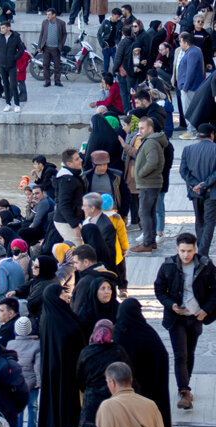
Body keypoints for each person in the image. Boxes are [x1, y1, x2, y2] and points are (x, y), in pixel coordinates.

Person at [154, 232, 216, 410]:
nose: (186, 255)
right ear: (177, 250)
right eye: (182, 251)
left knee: (190, 353)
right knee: (180, 354)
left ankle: (185, 387)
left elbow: (214, 290)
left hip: (195, 317)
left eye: (189, 251)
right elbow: (159, 289)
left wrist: (206, 310)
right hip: (176, 318)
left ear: (195, 249)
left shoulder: (205, 265)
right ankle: (184, 390)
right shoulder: (169, 265)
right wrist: (171, 305)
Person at [114, 298, 175, 427]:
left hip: (127, 389)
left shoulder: (119, 333)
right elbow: (162, 356)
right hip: (150, 389)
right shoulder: (147, 332)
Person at [37, 284, 85, 427]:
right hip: (62, 372)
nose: (66, 296)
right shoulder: (53, 319)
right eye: (62, 293)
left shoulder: (58, 315)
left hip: (64, 372)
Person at [121, 117, 168, 252]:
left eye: (142, 128)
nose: (139, 131)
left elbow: (152, 162)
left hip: (149, 182)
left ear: (150, 128)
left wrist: (140, 173)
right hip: (150, 182)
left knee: (144, 213)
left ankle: (147, 243)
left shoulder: (151, 142)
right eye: (139, 128)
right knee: (150, 212)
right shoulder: (150, 141)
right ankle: (151, 241)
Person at [76, 320, 131, 423]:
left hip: (91, 400)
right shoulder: (118, 351)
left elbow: (80, 377)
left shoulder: (86, 352)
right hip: (114, 396)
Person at [180, 124, 216, 256]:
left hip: (195, 191)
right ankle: (202, 252)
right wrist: (205, 184)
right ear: (212, 134)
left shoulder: (188, 149)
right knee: (209, 221)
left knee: (199, 220)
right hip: (211, 192)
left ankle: (201, 248)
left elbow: (183, 171)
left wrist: (195, 184)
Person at [6, 317, 40, 427]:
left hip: (16, 381)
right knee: (33, 406)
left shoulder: (10, 344)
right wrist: (39, 382)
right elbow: (37, 366)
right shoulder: (36, 345)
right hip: (31, 382)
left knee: (17, 408)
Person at [54, 149, 87, 246]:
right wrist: (75, 226)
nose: (81, 160)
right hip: (65, 221)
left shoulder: (72, 176)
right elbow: (63, 205)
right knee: (78, 248)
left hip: (70, 218)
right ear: (69, 164)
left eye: (79, 157)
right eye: (77, 159)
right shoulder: (66, 180)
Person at [176, 32, 205, 139]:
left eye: (180, 41)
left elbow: (191, 71)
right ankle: (191, 130)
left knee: (188, 110)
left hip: (189, 88)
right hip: (188, 87)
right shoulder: (192, 51)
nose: (180, 44)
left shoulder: (193, 52)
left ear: (186, 42)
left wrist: (185, 87)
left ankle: (191, 131)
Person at [83, 151, 128, 217]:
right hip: (93, 215)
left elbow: (126, 196)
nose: (103, 168)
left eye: (105, 164)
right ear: (93, 164)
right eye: (99, 165)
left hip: (113, 214)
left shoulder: (117, 176)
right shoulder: (85, 178)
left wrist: (123, 214)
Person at [101, 193, 129, 298]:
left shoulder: (95, 218)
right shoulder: (116, 218)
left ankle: (109, 289)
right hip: (117, 251)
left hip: (102, 252)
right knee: (121, 271)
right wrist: (125, 247)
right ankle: (123, 289)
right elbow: (122, 234)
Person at [0, 22, 24, 113]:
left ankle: (17, 104)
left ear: (8, 28)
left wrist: (14, 58)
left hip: (12, 65)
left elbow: (21, 49)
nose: (1, 30)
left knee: (13, 85)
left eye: (3, 28)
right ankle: (8, 103)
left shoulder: (15, 37)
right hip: (2, 65)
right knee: (5, 84)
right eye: (1, 28)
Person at [37, 9, 66, 88]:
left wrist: (61, 44)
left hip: (56, 48)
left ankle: (57, 81)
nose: (48, 16)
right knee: (45, 65)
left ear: (54, 15)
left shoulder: (61, 23)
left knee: (57, 66)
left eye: (49, 14)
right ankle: (47, 81)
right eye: (47, 14)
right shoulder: (45, 22)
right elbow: (41, 34)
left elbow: (64, 34)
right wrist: (39, 46)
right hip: (46, 48)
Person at [113, 26, 135, 114]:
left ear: (123, 33)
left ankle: (127, 111)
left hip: (124, 71)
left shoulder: (123, 43)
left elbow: (118, 58)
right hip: (132, 70)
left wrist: (114, 69)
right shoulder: (135, 41)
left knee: (124, 92)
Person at [98, 9, 123, 74]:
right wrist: (102, 44)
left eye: (119, 17)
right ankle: (105, 79)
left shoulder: (119, 23)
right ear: (113, 15)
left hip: (114, 47)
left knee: (116, 63)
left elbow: (121, 33)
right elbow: (99, 34)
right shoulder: (106, 22)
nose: (117, 19)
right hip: (106, 47)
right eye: (117, 17)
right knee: (106, 64)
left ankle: (114, 79)